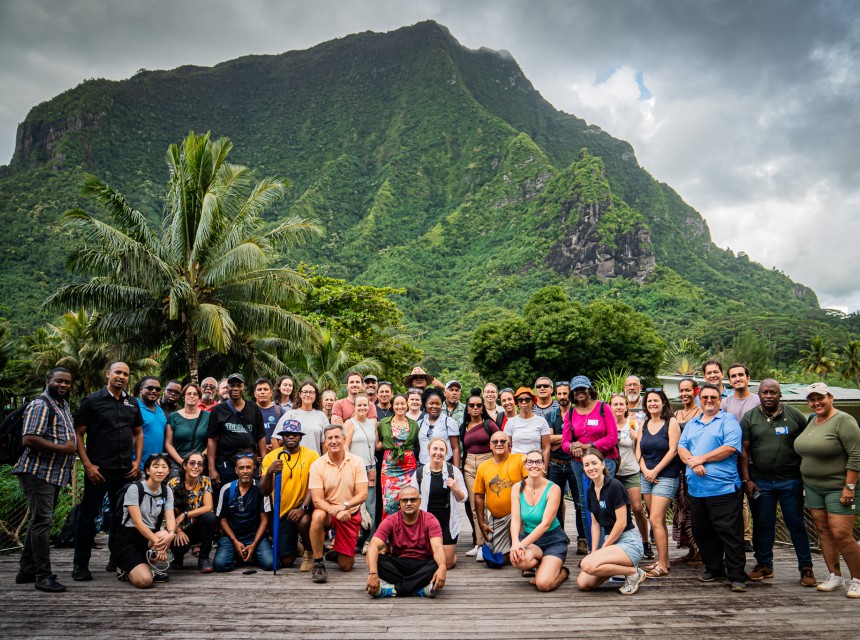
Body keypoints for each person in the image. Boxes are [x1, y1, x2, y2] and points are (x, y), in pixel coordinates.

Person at [739, 379, 815, 587]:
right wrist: (747, 480)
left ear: (780, 394)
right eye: (765, 392)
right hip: (760, 482)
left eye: (773, 392)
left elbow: (808, 441)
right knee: (763, 524)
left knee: (796, 523)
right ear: (759, 394)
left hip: (791, 481)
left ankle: (806, 568)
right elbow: (744, 452)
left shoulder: (794, 415)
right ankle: (764, 565)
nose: (769, 396)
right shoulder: (750, 417)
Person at [73, 362, 143, 582]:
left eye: (126, 374)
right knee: (88, 515)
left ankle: (116, 559)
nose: (121, 377)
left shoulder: (132, 403)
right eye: (118, 373)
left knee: (120, 516)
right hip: (99, 470)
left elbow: (138, 433)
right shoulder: (92, 401)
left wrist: (137, 461)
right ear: (108, 374)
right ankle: (80, 565)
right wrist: (87, 465)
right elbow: (78, 434)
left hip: (124, 470)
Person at [677, 384, 747, 592]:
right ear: (699, 399)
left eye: (713, 397)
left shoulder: (728, 421)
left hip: (723, 488)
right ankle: (714, 568)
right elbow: (682, 447)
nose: (709, 400)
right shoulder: (692, 423)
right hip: (697, 489)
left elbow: (730, 447)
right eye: (705, 397)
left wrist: (702, 459)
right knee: (702, 531)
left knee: (729, 532)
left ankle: (737, 575)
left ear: (720, 400)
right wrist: (693, 462)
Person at [794, 382, 860, 598]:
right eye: (812, 399)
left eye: (820, 398)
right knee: (823, 531)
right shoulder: (813, 420)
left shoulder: (844, 421)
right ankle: (835, 576)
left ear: (830, 397)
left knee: (842, 534)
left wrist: (849, 487)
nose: (816, 403)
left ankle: (857, 579)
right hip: (813, 487)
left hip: (839, 487)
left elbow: (856, 455)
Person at [13, 368, 76, 592]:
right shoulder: (41, 404)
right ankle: (42, 575)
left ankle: (26, 570)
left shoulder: (62, 404)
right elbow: (29, 439)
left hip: (53, 474)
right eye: (59, 381)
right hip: (38, 472)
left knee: (38, 522)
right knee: (42, 524)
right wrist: (64, 449)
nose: (64, 385)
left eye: (67, 382)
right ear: (48, 381)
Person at [576, 450, 647, 595]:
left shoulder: (615, 486)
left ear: (603, 465)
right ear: (583, 468)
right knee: (583, 583)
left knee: (587, 564)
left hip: (629, 542)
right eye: (587, 465)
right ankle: (628, 570)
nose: (591, 468)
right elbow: (595, 524)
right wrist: (594, 551)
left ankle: (634, 572)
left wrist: (603, 548)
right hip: (611, 543)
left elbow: (621, 523)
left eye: (594, 463)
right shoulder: (590, 491)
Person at [563, 375, 618, 550]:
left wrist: (588, 446)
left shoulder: (603, 408)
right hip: (580, 465)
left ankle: (609, 548)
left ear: (589, 390)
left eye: (583, 389)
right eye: (576, 390)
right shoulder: (571, 412)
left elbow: (612, 438)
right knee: (585, 505)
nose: (580, 392)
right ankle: (593, 550)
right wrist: (573, 447)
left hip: (604, 462)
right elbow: (565, 442)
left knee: (604, 503)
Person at [308, 425, 369, 583]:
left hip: (349, 513)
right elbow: (317, 499)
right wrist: (335, 511)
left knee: (346, 565)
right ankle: (318, 562)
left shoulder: (356, 462)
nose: (334, 441)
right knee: (317, 516)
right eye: (330, 438)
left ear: (344, 439)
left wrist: (345, 506)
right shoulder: (317, 465)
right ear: (325, 442)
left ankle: (337, 553)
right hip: (327, 512)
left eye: (337, 437)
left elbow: (363, 493)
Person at [366, 486, 447, 598]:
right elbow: (373, 544)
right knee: (373, 557)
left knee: (436, 564)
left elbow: (437, 547)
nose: (409, 503)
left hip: (422, 564)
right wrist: (373, 573)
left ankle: (395, 589)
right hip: (399, 564)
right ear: (399, 503)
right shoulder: (390, 520)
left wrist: (442, 566)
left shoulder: (430, 520)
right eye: (405, 500)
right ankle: (418, 589)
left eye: (413, 500)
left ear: (420, 501)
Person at [260, 420, 319, 572]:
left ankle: (309, 552)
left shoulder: (312, 456)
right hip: (282, 511)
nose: (290, 437)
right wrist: (270, 472)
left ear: (300, 437)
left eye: (294, 434)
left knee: (304, 520)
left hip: (305, 506)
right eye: (286, 434)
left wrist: (303, 508)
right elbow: (264, 491)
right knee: (286, 561)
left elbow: (315, 485)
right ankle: (296, 543)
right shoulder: (271, 457)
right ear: (282, 437)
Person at [636, 388, 681, 578]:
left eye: (656, 400)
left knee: (654, 519)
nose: (652, 404)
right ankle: (664, 559)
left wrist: (655, 471)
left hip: (666, 476)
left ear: (663, 403)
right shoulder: (644, 424)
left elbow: (673, 451)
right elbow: (639, 450)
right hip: (647, 477)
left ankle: (662, 566)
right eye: (649, 401)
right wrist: (646, 471)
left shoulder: (671, 423)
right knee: (657, 520)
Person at [509, 450, 570, 591]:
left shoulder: (554, 489)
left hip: (552, 540)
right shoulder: (517, 488)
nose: (534, 466)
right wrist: (515, 543)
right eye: (530, 462)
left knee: (543, 585)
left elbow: (545, 524)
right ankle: (543, 566)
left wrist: (521, 545)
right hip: (531, 540)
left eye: (538, 462)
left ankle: (562, 572)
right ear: (525, 465)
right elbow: (516, 520)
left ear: (543, 465)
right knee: (517, 560)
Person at [114, 453, 176, 588]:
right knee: (145, 581)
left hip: (148, 538)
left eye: (164, 467)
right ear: (147, 470)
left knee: (165, 534)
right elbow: (138, 523)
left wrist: (171, 535)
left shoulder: (167, 491)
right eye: (155, 466)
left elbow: (170, 516)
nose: (160, 470)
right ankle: (125, 568)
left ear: (168, 471)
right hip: (128, 540)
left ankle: (147, 566)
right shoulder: (135, 489)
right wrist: (158, 542)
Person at [410, 437, 467, 568]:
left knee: (447, 563)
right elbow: (411, 499)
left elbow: (463, 498)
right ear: (429, 451)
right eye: (435, 449)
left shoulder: (453, 471)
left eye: (442, 449)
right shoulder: (420, 473)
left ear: (446, 453)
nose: (438, 452)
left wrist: (455, 488)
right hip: (426, 522)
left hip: (447, 521)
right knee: (424, 561)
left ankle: (450, 555)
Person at [213, 452, 273, 572]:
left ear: (254, 469)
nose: (245, 471)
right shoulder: (227, 489)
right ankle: (237, 554)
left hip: (255, 536)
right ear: (236, 470)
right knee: (220, 565)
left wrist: (255, 543)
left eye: (248, 467)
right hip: (231, 537)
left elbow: (265, 520)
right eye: (241, 468)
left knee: (270, 564)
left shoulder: (261, 489)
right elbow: (222, 519)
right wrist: (235, 541)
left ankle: (252, 552)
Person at [473, 433, 527, 563]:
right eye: (495, 441)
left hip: (520, 514)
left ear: (509, 445)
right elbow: (479, 496)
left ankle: (523, 549)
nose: (499, 444)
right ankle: (509, 551)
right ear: (490, 446)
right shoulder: (483, 467)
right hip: (498, 518)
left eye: (503, 441)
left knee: (522, 556)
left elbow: (532, 484)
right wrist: (481, 522)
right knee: (495, 560)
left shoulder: (520, 459)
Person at [460, 389, 501, 559]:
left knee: (490, 504)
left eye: (478, 405)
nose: (475, 408)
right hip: (469, 464)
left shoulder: (489, 424)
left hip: (488, 462)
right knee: (475, 506)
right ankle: (480, 544)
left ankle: (493, 542)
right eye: (472, 405)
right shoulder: (464, 427)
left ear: (482, 407)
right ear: (467, 408)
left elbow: (500, 440)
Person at [206, 372, 265, 487]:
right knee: (227, 496)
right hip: (226, 463)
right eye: (232, 385)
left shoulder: (254, 409)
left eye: (239, 385)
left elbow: (261, 438)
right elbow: (212, 440)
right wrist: (211, 468)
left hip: (249, 462)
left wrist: (264, 464)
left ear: (244, 388)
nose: (235, 388)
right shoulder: (218, 410)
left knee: (252, 496)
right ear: (227, 388)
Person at [610, 393, 649, 560]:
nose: (618, 407)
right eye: (615, 404)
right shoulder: (607, 426)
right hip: (613, 474)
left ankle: (645, 542)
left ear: (627, 407)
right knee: (615, 510)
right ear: (610, 407)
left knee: (637, 508)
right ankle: (617, 542)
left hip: (631, 471)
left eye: (621, 404)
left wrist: (637, 438)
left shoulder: (633, 425)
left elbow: (642, 449)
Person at [546, 381, 584, 550]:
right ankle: (559, 536)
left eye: (565, 393)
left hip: (574, 464)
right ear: (556, 395)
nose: (562, 397)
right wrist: (568, 439)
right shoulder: (551, 416)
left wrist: (560, 440)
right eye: (559, 394)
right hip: (555, 464)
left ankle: (582, 538)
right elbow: (548, 440)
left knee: (579, 503)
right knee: (555, 503)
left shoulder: (578, 414)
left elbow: (582, 438)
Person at [168, 452, 216, 573]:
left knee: (210, 517)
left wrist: (185, 514)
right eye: (192, 463)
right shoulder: (173, 483)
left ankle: (204, 558)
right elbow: (167, 512)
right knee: (180, 542)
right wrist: (177, 530)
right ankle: (178, 558)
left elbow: (208, 507)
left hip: (195, 528)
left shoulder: (205, 481)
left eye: (199, 464)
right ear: (185, 466)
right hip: (176, 530)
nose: (196, 466)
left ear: (203, 468)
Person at [672, 378, 702, 565]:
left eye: (687, 390)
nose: (684, 394)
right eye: (681, 390)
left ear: (695, 391)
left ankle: (701, 550)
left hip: (694, 467)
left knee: (695, 511)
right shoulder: (676, 414)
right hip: (678, 469)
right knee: (682, 510)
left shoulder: (700, 413)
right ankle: (691, 549)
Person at [344, 393, 378, 551]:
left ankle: (368, 540)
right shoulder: (349, 423)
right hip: (355, 467)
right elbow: (345, 447)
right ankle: (354, 539)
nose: (363, 408)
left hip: (371, 468)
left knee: (371, 504)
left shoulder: (373, 424)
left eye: (366, 405)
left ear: (370, 406)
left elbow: (377, 445)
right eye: (360, 405)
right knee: (356, 504)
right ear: (355, 407)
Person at [379, 394, 419, 517]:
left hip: (408, 468)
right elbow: (379, 443)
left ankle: (408, 533)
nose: (400, 406)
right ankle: (389, 533)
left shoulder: (414, 424)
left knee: (409, 501)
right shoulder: (384, 423)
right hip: (390, 468)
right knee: (389, 504)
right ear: (392, 405)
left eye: (402, 403)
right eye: (397, 404)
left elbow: (416, 445)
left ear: (407, 404)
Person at [165, 383, 210, 477]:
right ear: (184, 396)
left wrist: (199, 459)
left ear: (199, 397)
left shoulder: (208, 417)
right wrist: (181, 461)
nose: (192, 396)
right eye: (189, 393)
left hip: (199, 465)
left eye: (195, 394)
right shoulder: (173, 416)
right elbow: (168, 443)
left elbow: (212, 442)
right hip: (177, 465)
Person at [274, 380, 327, 455]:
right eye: (305, 392)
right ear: (300, 394)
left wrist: (323, 462)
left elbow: (325, 442)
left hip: (314, 462)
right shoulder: (289, 414)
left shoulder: (321, 416)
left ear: (315, 396)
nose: (308, 395)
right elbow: (274, 439)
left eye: (311, 392)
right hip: (292, 463)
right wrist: (280, 458)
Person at [506, 387, 551, 468]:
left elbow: (546, 447)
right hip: (515, 464)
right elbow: (507, 446)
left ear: (533, 402)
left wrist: (544, 469)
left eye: (527, 399)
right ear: (517, 403)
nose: (524, 402)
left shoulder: (541, 421)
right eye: (520, 400)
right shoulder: (510, 422)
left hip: (535, 464)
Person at [417, 389, 460, 467]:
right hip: (423, 465)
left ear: (441, 405)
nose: (434, 406)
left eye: (437, 403)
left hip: (444, 465)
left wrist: (456, 471)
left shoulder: (449, 422)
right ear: (426, 404)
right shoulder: (420, 423)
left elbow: (455, 448)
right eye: (431, 403)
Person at [136, 376, 167, 471]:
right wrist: (134, 463)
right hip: (138, 466)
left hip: (156, 467)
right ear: (141, 389)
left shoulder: (160, 410)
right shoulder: (133, 407)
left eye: (157, 389)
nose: (154, 391)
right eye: (150, 388)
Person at [254, 377, 282, 453]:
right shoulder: (248, 410)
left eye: (265, 389)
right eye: (259, 389)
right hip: (254, 456)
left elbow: (287, 434)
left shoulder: (280, 411)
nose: (262, 392)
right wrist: (261, 447)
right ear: (255, 394)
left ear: (271, 393)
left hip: (275, 454)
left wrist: (276, 444)